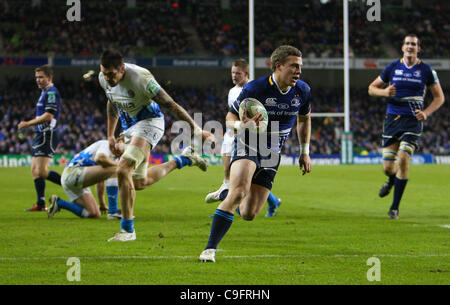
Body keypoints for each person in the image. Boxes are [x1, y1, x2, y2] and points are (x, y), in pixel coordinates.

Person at [199, 45, 312, 262]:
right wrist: (243, 126)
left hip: (272, 152)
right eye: (294, 66)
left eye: (300, 67)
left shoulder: (303, 91)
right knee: (240, 191)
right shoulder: (256, 88)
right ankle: (209, 249)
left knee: (249, 213)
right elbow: (230, 118)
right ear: (278, 66)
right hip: (248, 143)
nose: (298, 71)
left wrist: (304, 152)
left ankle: (225, 194)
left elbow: (304, 119)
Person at [99, 50, 215, 242]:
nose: (107, 78)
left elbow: (171, 104)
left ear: (122, 69)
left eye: (111, 74)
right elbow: (112, 102)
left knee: (123, 169)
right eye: (104, 74)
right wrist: (110, 134)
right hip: (129, 127)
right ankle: (184, 159)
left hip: (150, 122)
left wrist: (196, 129)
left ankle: (127, 230)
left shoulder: (141, 78)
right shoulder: (104, 78)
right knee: (138, 183)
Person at [368, 34, 445, 219]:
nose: (410, 46)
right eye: (407, 43)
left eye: (414, 44)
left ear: (418, 49)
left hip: (413, 121)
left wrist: (426, 113)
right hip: (393, 120)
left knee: (403, 159)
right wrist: (384, 92)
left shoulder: (426, 70)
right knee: (387, 167)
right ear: (403, 47)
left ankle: (394, 208)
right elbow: (371, 88)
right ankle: (392, 179)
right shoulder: (392, 67)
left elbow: (439, 97)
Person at [48, 138, 205, 220]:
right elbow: (101, 158)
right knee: (118, 169)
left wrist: (102, 202)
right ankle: (115, 211)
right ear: (118, 142)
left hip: (76, 180)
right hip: (72, 173)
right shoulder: (106, 145)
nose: (125, 149)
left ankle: (60, 203)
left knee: (93, 213)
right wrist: (123, 169)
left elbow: (100, 177)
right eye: (124, 144)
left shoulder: (115, 154)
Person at [205, 59, 282, 217]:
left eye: (238, 73)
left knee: (243, 178)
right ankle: (271, 201)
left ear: (246, 74)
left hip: (249, 139)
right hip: (232, 133)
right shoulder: (232, 91)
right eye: (232, 73)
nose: (234, 76)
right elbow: (232, 113)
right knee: (229, 172)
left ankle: (226, 206)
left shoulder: (254, 89)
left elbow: (262, 116)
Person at [18, 65, 63, 212]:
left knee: (42, 171)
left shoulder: (51, 92)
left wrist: (27, 123)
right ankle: (41, 203)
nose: (38, 80)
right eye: (37, 77)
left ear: (49, 78)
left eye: (41, 77)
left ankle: (72, 184)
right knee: (35, 170)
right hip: (40, 135)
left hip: (47, 134)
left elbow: (49, 115)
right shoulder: (44, 92)